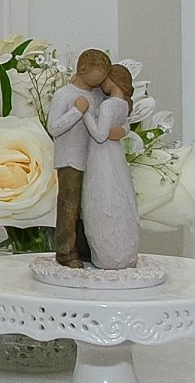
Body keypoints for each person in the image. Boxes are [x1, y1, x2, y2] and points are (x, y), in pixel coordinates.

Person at [46, 49, 110, 268]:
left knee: (88, 205)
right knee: (69, 206)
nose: (99, 79)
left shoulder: (99, 95)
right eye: (96, 74)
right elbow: (53, 127)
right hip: (70, 160)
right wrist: (76, 111)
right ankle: (65, 251)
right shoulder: (65, 94)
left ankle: (85, 248)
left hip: (94, 159)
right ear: (82, 70)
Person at [80, 63, 140, 270]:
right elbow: (121, 127)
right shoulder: (123, 105)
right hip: (115, 155)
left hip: (101, 155)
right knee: (119, 194)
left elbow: (99, 135)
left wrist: (84, 113)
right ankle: (123, 252)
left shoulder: (108, 105)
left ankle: (107, 255)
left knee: (102, 196)